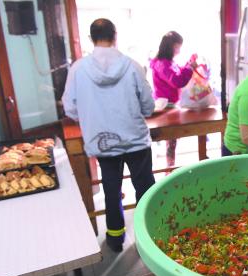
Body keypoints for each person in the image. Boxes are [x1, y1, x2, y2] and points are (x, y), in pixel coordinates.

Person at [63, 18, 156, 253]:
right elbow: (148, 106)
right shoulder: (133, 66)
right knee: (145, 188)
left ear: (91, 38)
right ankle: (151, 237)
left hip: (102, 142)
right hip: (135, 140)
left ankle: (115, 239)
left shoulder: (78, 69)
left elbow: (70, 108)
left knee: (111, 189)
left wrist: (91, 114)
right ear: (115, 36)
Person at [150, 31, 198, 167]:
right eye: (178, 47)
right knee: (171, 140)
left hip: (169, 105)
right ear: (171, 46)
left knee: (172, 141)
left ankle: (170, 167)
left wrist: (188, 65)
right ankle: (169, 168)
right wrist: (189, 68)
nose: (179, 50)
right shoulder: (162, 64)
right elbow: (177, 81)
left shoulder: (165, 62)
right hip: (166, 107)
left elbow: (177, 74)